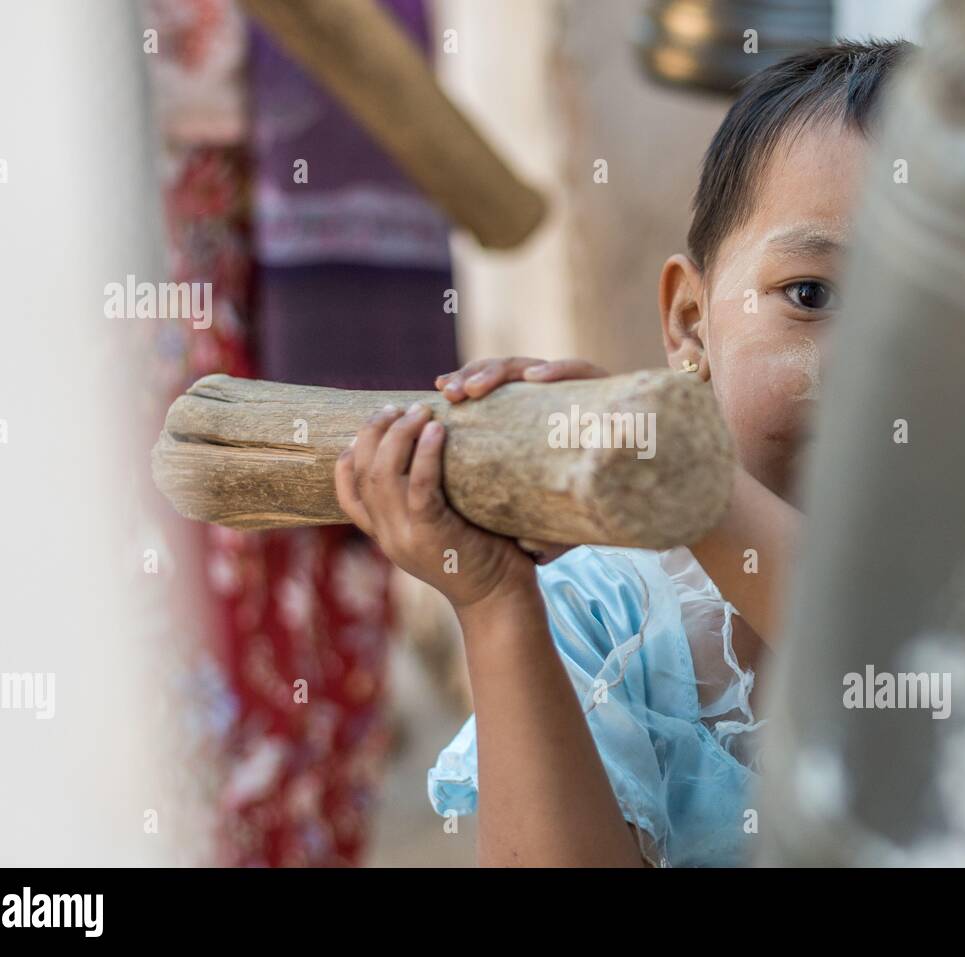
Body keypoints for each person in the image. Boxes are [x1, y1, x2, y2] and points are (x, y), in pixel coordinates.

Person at [334, 40, 913, 866]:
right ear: (688, 322)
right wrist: (499, 609)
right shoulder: (602, 614)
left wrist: (691, 486)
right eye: (812, 295)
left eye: (933, 323)